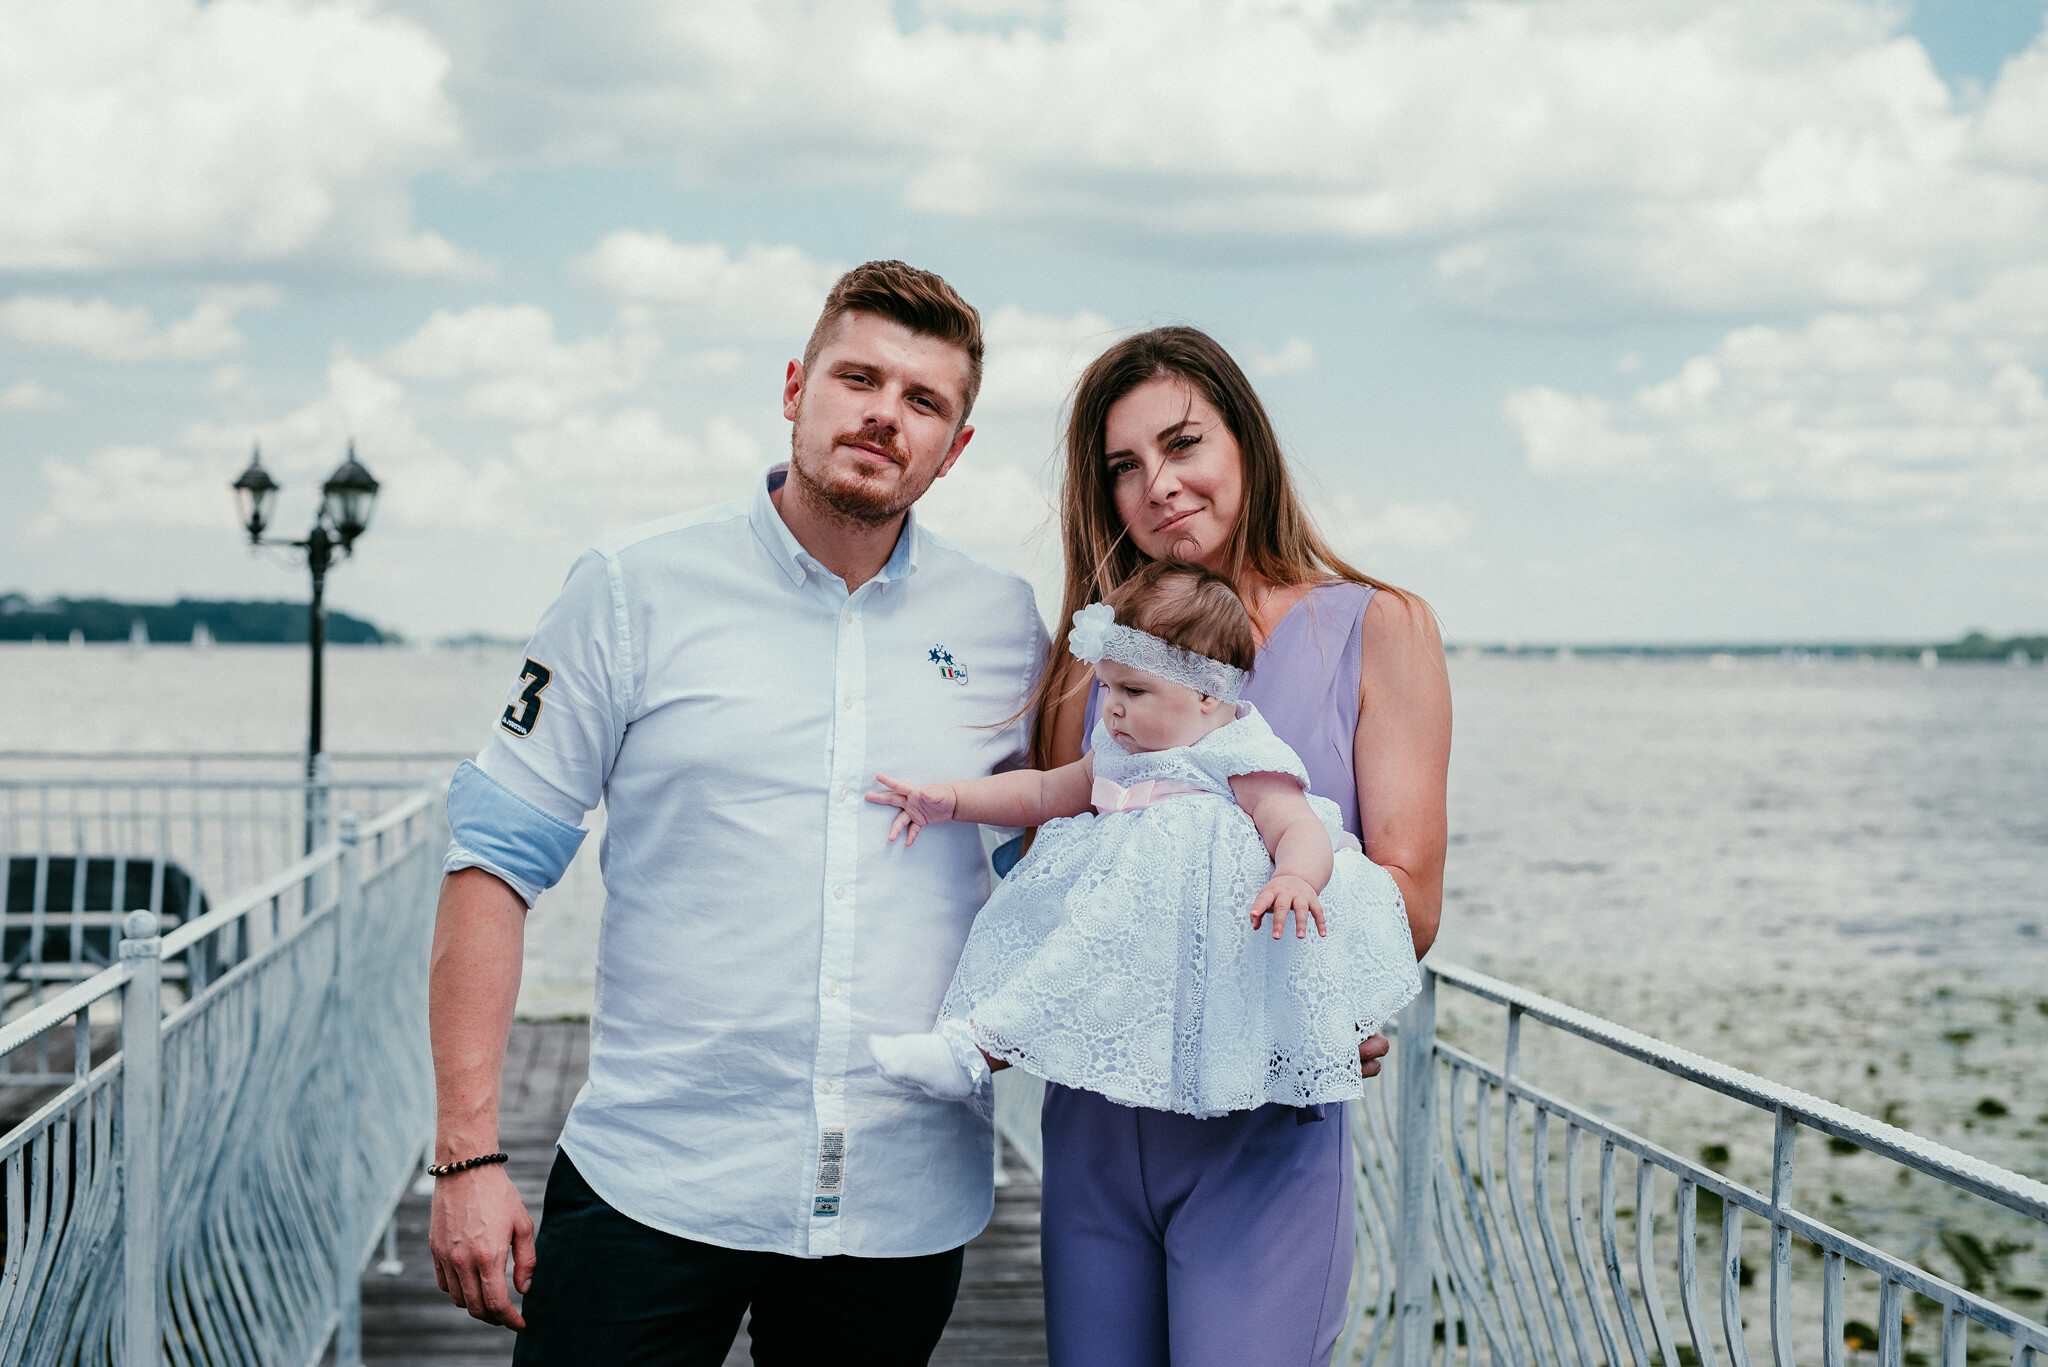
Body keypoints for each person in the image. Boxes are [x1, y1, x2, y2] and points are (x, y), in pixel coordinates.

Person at [425, 260, 1049, 1367]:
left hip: (900, 1196)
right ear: (795, 388)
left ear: (954, 447)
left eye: (923, 400)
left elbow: (1064, 871)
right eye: (858, 378)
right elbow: (494, 861)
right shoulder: (632, 587)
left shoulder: (1003, 622)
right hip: (657, 1175)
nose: (884, 414)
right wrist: (467, 1155)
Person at [1022, 327, 1452, 1366]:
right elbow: (1050, 872)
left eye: (1182, 443)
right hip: (1092, 1127)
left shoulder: (1378, 626)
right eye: (1123, 466)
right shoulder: (1091, 661)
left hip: (1263, 1127)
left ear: (1245, 442)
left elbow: (1408, 895)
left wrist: (1315, 990)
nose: (1158, 485)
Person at [863, 560, 1421, 1121]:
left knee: (1088, 948)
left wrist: (1296, 877)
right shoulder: (1117, 751)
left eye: (1134, 689)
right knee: (1051, 944)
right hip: (1136, 927)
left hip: (1209, 934)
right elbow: (1043, 792)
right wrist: (954, 800)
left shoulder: (1237, 752)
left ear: (1207, 693)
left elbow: (1297, 824)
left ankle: (970, 1052)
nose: (1112, 706)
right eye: (1107, 686)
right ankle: (972, 1044)